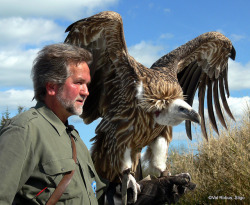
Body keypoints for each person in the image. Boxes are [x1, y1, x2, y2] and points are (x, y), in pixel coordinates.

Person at [0, 43, 195, 205]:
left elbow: (98, 197)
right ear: (51, 86)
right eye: (78, 83)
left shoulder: (74, 140)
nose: (86, 91)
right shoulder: (25, 131)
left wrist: (148, 192)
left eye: (87, 84)